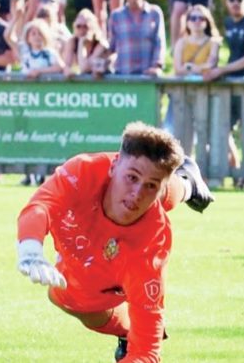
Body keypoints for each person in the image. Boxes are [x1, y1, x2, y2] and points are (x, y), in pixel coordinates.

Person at [15, 121, 213, 362]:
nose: (137, 193)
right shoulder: (83, 171)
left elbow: (147, 352)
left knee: (66, 296)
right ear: (113, 165)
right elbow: (40, 206)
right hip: (97, 216)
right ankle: (187, 183)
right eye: (131, 178)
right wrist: (30, 248)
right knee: (61, 296)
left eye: (150, 186)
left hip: (126, 251)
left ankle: (185, 184)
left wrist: (141, 339)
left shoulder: (150, 248)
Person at [203, 0, 244, 189]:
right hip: (229, 83)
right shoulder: (228, 22)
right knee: (222, 128)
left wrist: (221, 70)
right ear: (226, 2)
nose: (236, 3)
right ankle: (234, 167)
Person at [108, 0, 165, 76]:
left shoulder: (154, 13)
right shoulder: (116, 16)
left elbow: (159, 42)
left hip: (148, 75)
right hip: (123, 75)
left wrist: (157, 66)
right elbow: (111, 46)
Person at [172, 5, 219, 77]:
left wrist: (188, 67)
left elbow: (210, 67)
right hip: (184, 83)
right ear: (187, 22)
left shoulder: (214, 43)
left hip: (206, 82)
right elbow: (178, 70)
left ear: (207, 22)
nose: (197, 21)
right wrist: (202, 68)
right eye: (193, 18)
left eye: (201, 18)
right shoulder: (181, 42)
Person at [62, 8, 111, 76]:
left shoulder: (101, 43)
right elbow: (66, 65)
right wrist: (69, 71)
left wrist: (81, 43)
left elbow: (84, 67)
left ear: (93, 27)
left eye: (85, 26)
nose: (82, 30)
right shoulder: (72, 41)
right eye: (78, 26)